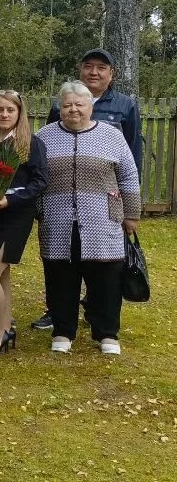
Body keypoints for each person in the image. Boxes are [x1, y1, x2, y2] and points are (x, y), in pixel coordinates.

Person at [33, 47, 144, 330]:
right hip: (60, 210)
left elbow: (131, 163)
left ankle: (100, 322)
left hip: (104, 209)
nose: (94, 72)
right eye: (89, 66)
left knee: (103, 268)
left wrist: (130, 210)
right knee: (62, 266)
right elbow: (43, 162)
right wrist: (39, 208)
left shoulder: (125, 106)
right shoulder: (52, 123)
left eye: (101, 67)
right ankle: (60, 319)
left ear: (111, 74)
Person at [0, 90, 48, 356]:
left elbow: (40, 182)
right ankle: (7, 325)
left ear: (19, 113)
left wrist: (10, 200)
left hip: (15, 216)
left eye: (10, 110)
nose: (4, 114)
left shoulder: (30, 144)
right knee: (1, 274)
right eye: (0, 110)